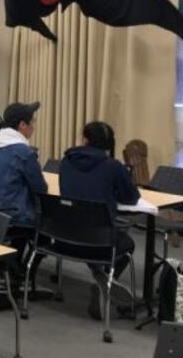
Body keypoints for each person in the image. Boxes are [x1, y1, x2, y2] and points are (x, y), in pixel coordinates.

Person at [59, 121, 140, 320]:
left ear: (84, 139)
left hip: (64, 237)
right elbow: (131, 198)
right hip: (98, 240)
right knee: (127, 244)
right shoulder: (113, 166)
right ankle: (104, 284)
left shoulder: (66, 161)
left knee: (94, 232)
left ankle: (99, 275)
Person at [0, 102, 48, 230]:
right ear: (22, 125)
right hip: (17, 216)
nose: (33, 126)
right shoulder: (24, 153)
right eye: (32, 122)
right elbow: (40, 189)